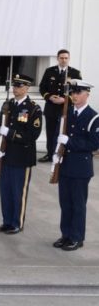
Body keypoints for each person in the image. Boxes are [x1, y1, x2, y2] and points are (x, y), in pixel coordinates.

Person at [53, 80, 99, 251]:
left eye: (78, 93)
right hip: (65, 165)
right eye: (73, 93)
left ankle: (77, 237)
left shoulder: (93, 117)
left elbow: (94, 144)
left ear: (87, 94)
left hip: (80, 168)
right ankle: (65, 235)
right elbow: (57, 135)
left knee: (78, 204)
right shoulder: (67, 113)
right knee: (65, 203)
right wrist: (55, 152)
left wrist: (70, 142)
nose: (74, 96)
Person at [0, 74, 42, 235]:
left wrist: (10, 133)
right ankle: (7, 221)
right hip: (6, 155)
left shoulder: (33, 108)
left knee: (18, 192)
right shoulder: (8, 105)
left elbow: (32, 135)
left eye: (19, 86)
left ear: (27, 88)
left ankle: (17, 223)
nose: (15, 89)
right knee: (6, 191)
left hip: (22, 157)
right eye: (14, 86)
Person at [38, 49, 82, 163]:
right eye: (61, 58)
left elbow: (79, 91)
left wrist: (66, 99)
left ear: (69, 59)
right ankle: (50, 154)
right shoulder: (49, 71)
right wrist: (49, 97)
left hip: (66, 108)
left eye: (66, 58)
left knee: (64, 132)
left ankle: (62, 154)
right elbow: (42, 87)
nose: (64, 60)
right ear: (57, 58)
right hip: (51, 108)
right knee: (51, 132)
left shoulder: (75, 73)